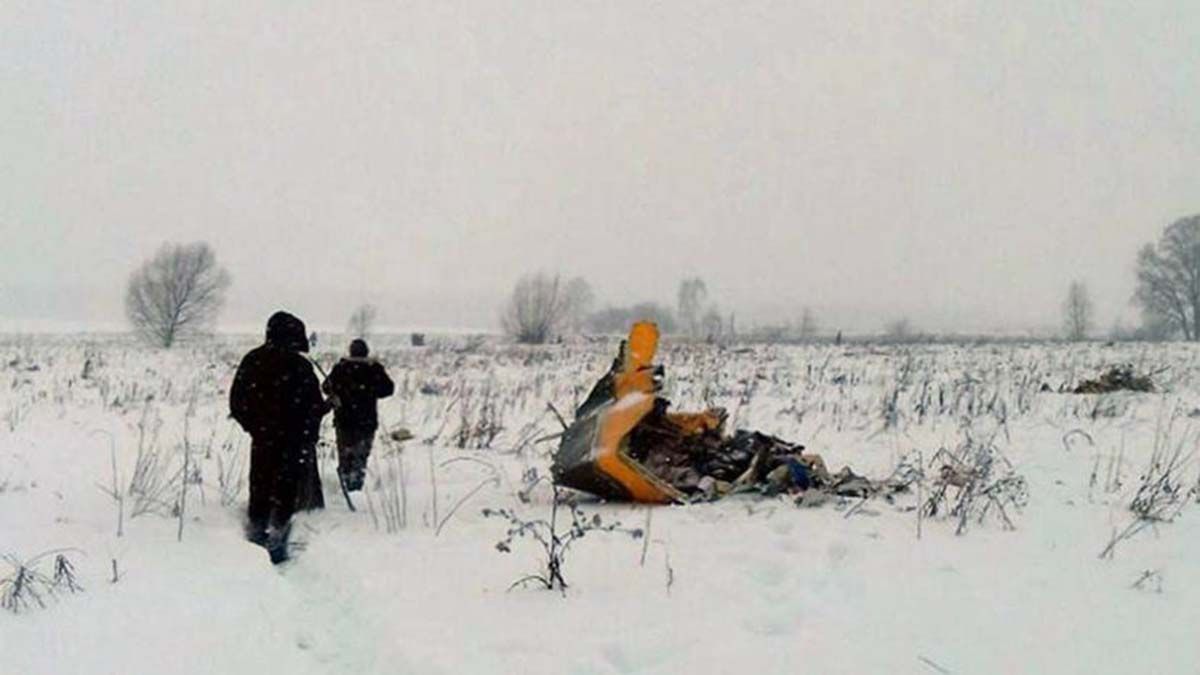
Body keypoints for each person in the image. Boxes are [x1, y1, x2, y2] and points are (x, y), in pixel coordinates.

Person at [229, 311, 331, 563]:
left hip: (264, 439)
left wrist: (255, 427)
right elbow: (313, 406)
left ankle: (256, 535)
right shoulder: (300, 366)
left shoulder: (253, 360)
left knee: (260, 484)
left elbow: (237, 402)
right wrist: (321, 414)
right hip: (293, 441)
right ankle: (277, 540)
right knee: (285, 489)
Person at [322, 339, 395, 491]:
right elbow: (388, 389)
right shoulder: (374, 368)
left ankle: (345, 483)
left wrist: (342, 391)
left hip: (344, 420)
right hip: (366, 422)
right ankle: (355, 485)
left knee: (345, 455)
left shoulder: (341, 368)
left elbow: (326, 387)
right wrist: (369, 390)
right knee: (360, 456)